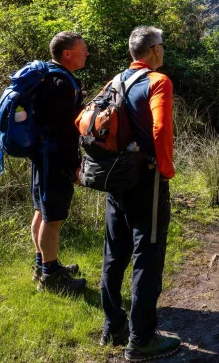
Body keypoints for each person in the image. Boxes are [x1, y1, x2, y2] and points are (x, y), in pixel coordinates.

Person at [99, 26, 183, 361]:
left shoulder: (113, 81)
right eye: (162, 45)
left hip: (115, 179)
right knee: (147, 256)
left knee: (114, 253)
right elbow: (161, 128)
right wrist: (166, 169)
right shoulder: (158, 82)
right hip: (145, 181)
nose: (164, 51)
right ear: (153, 50)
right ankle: (142, 340)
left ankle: (113, 325)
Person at [32, 31, 89, 294]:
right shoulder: (61, 84)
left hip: (42, 157)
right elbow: (65, 131)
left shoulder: (48, 76)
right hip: (55, 160)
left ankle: (43, 265)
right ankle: (51, 277)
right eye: (82, 49)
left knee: (42, 212)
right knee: (52, 217)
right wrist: (75, 166)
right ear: (67, 54)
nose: (87, 53)